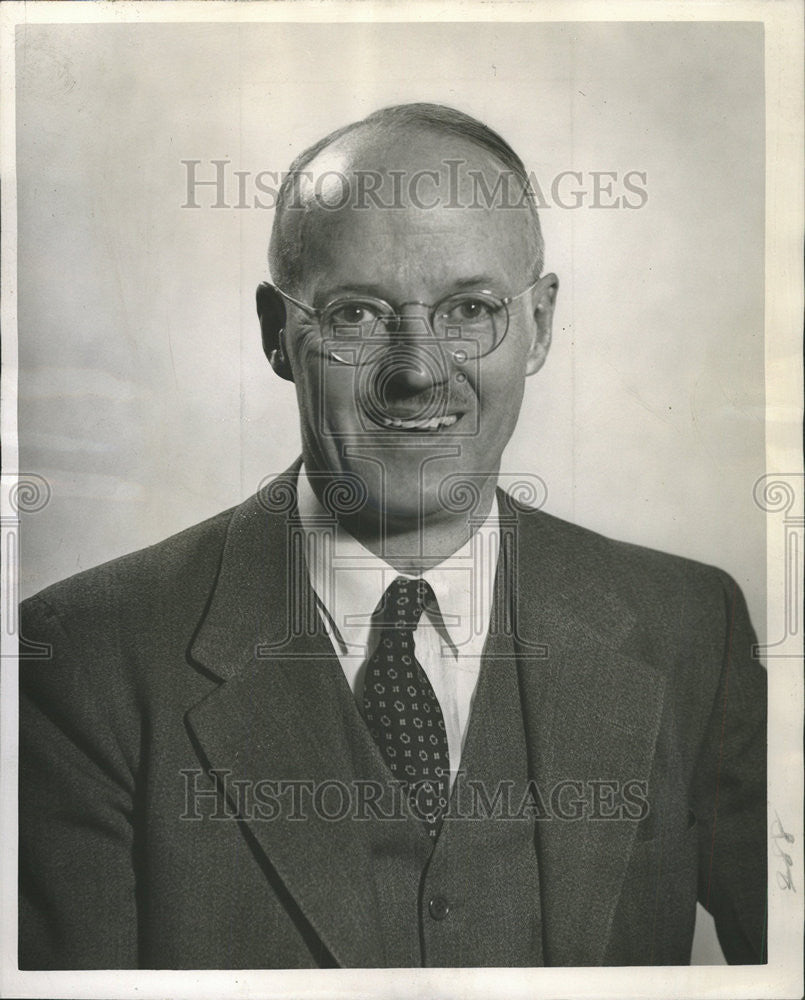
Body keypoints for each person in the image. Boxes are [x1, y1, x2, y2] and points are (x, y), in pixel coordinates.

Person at [19, 103, 767, 969]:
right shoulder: (82, 660)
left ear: (541, 324)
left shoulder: (689, 627)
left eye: (470, 308)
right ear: (277, 333)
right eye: (357, 315)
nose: (417, 372)